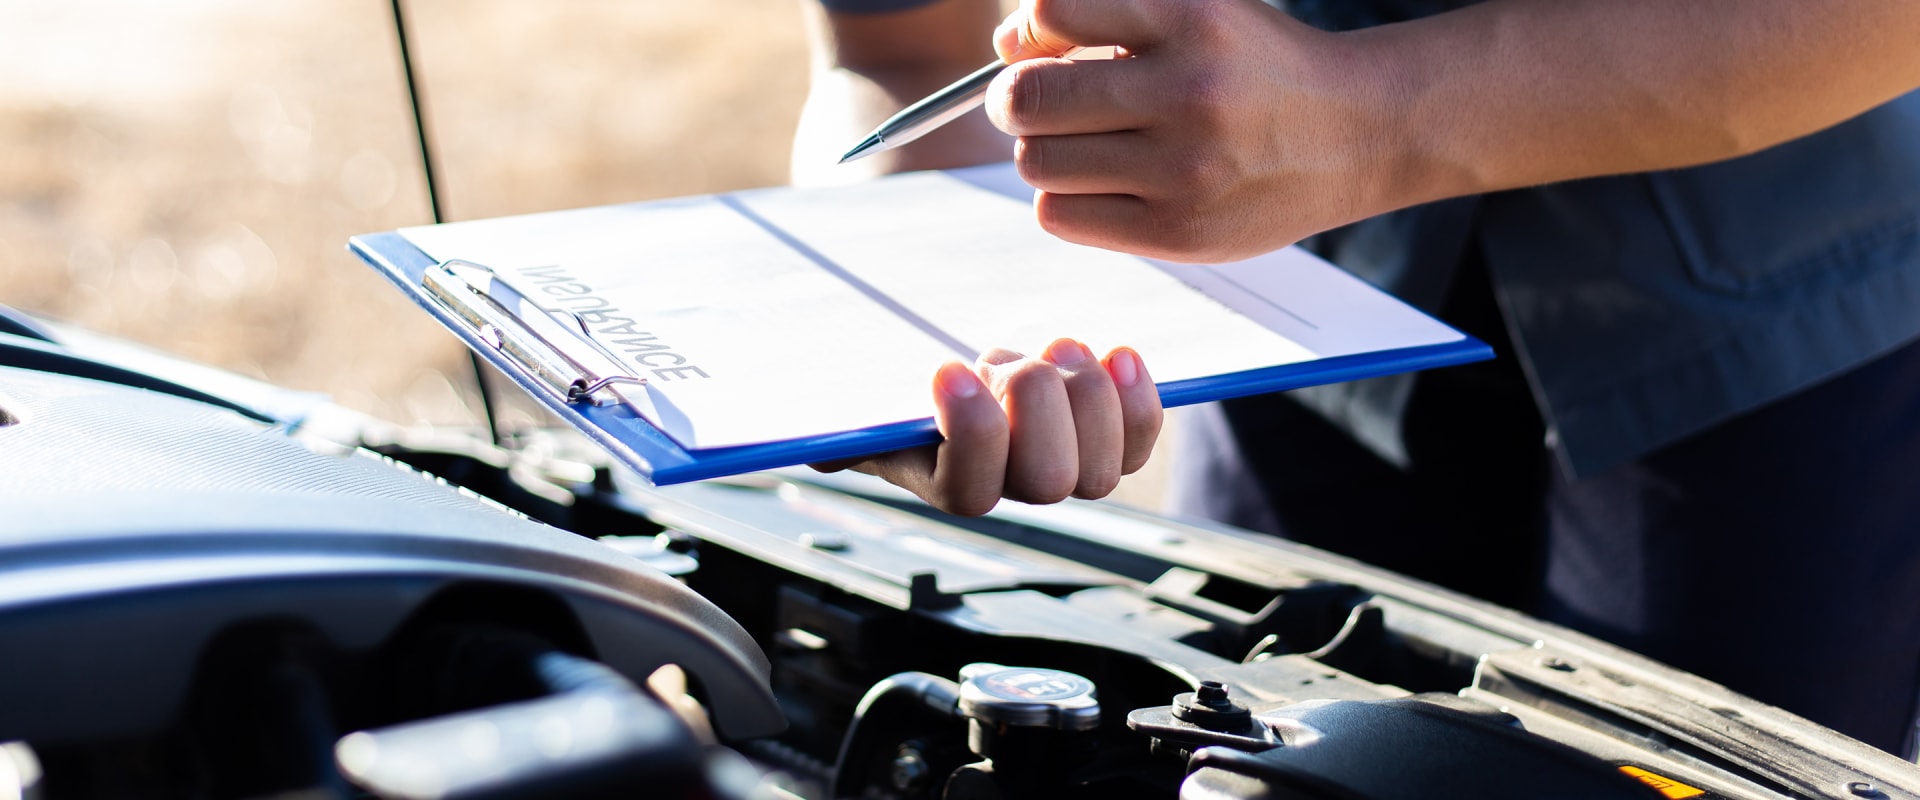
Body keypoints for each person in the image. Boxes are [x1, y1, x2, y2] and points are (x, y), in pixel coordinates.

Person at [794, 0, 1920, 754]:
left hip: (1787, 300)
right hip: (1284, 304)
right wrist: (922, 319)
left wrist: (1382, 122)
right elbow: (898, 51)